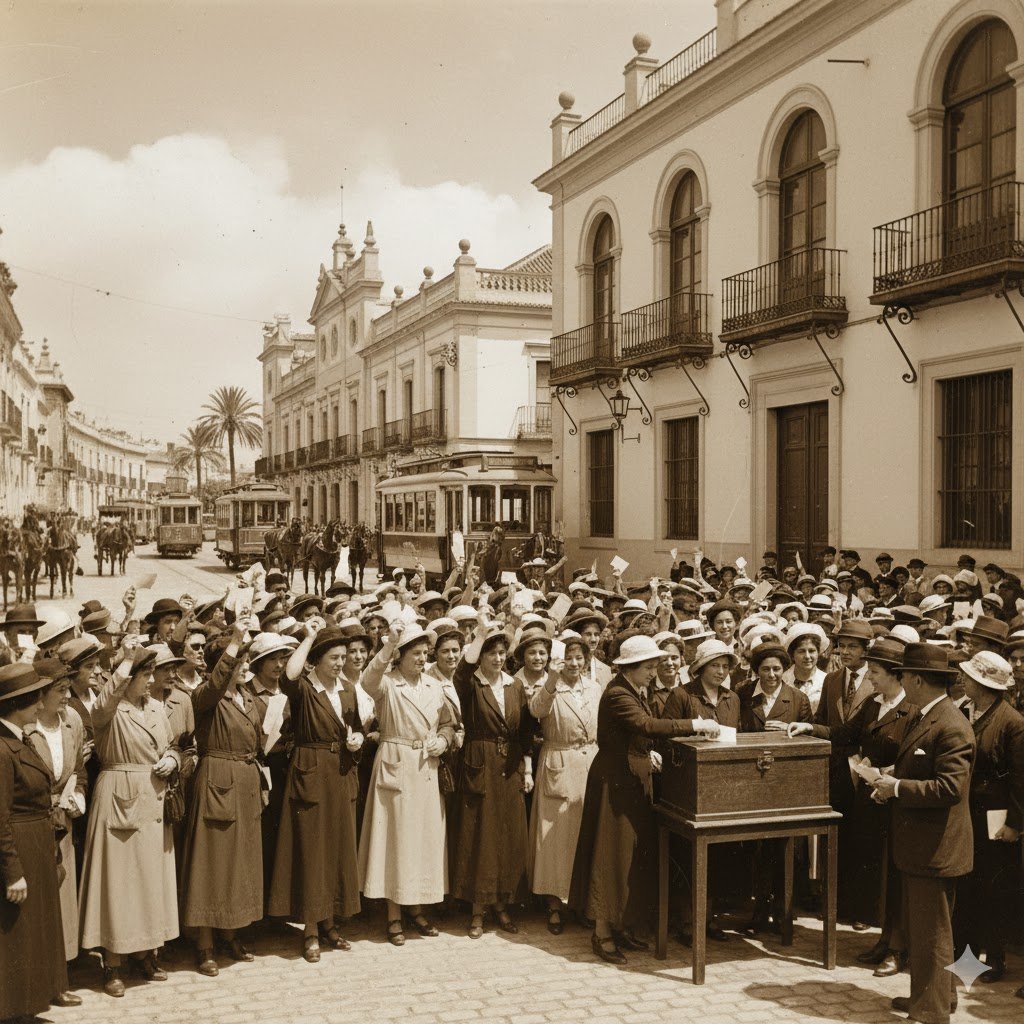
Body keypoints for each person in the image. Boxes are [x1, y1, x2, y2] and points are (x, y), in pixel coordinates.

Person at [570, 635, 719, 964]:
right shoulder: (618, 694)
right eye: (649, 666)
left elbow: (634, 735)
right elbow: (645, 724)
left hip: (632, 780)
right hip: (616, 784)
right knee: (610, 857)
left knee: (629, 857)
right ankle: (602, 933)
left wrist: (645, 752)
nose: (655, 672)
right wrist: (695, 724)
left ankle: (619, 925)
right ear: (631, 667)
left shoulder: (633, 689)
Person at [870, 644, 975, 1024]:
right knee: (931, 928)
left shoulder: (950, 725)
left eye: (901, 675)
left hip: (936, 848)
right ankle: (937, 998)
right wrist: (890, 780)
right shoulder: (929, 715)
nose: (899, 682)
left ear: (915, 679)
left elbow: (950, 789)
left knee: (931, 933)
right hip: (924, 844)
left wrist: (896, 788)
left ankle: (930, 1012)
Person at [77, 647, 183, 997]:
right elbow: (104, 699)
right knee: (118, 883)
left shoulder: (154, 708)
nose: (152, 680)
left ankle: (145, 953)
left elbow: (171, 745)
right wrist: (125, 660)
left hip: (153, 798)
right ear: (128, 676)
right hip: (120, 799)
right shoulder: (110, 710)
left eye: (153, 673)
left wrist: (172, 759)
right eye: (145, 674)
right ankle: (113, 961)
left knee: (150, 881)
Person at [268, 624, 363, 963]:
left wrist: (357, 741)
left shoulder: (349, 690)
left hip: (339, 773)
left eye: (343, 657)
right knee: (312, 850)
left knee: (335, 848)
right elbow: (288, 677)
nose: (341, 663)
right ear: (317, 660)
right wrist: (308, 638)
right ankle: (309, 929)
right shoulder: (306, 689)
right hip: (310, 772)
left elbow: (358, 728)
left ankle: (330, 922)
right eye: (334, 658)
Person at [357, 623, 455, 945]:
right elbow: (367, 679)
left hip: (425, 766)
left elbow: (448, 723)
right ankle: (394, 914)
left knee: (421, 841)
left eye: (425, 653)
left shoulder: (433, 685)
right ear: (399, 656)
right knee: (395, 842)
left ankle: (417, 907)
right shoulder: (387, 684)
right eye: (416, 653)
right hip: (396, 763)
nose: (422, 658)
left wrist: (443, 739)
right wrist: (388, 645)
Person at [178, 623, 264, 976]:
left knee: (238, 863)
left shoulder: (247, 698)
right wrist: (235, 643)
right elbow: (216, 682)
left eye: (246, 662)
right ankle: (205, 943)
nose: (246, 668)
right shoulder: (206, 695)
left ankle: (230, 931)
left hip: (244, 783)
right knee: (211, 864)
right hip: (217, 782)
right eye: (239, 662)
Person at [0, 663, 80, 1019]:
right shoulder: (3, 749)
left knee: (35, 929)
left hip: (36, 843)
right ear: (19, 703)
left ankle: (29, 1003)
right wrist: (12, 871)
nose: (39, 704)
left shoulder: (19, 738)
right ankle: (15, 1009)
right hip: (21, 846)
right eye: (33, 697)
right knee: (17, 935)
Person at [449, 617, 532, 938]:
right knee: (479, 836)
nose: (497, 658)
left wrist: (526, 766)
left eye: (501, 653)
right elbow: (461, 671)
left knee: (506, 837)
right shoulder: (471, 684)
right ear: (481, 656)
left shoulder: (515, 685)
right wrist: (480, 634)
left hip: (509, 767)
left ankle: (502, 903)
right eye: (491, 653)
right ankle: (477, 909)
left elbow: (525, 731)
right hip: (479, 763)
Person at [951, 651, 1024, 984]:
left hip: (996, 819)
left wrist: (1015, 823)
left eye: (968, 677)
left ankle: (994, 959)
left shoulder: (1012, 722)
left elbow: (1020, 780)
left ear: (984, 685)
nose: (962, 680)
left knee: (994, 888)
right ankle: (966, 958)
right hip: (965, 814)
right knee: (966, 886)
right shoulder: (964, 709)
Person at [528, 633, 601, 934]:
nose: (573, 663)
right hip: (559, 763)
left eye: (579, 658)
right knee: (556, 839)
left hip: (590, 763)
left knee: (585, 837)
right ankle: (554, 905)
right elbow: (536, 710)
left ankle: (581, 903)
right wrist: (551, 681)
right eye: (568, 657)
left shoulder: (594, 688)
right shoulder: (547, 687)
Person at [25, 661, 86, 966]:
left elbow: (80, 771)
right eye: (61, 691)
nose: (67, 696)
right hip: (33, 824)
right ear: (42, 694)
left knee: (61, 897)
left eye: (67, 689)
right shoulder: (26, 728)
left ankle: (60, 969)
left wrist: (77, 796)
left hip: (63, 824)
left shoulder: (72, 721)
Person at [241, 632, 296, 919]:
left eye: (282, 658)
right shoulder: (247, 692)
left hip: (284, 770)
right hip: (257, 769)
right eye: (271, 659)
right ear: (258, 663)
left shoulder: (289, 692)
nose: (278, 665)